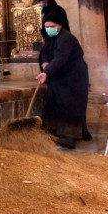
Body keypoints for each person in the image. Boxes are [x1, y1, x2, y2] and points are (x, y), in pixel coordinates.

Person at [36, 13, 91, 149]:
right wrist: (45, 62)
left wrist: (46, 72)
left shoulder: (66, 38)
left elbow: (61, 57)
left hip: (74, 77)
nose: (49, 29)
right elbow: (44, 52)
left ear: (60, 25)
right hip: (60, 76)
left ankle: (70, 136)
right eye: (47, 26)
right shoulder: (50, 38)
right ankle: (58, 132)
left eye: (52, 26)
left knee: (70, 105)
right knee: (57, 103)